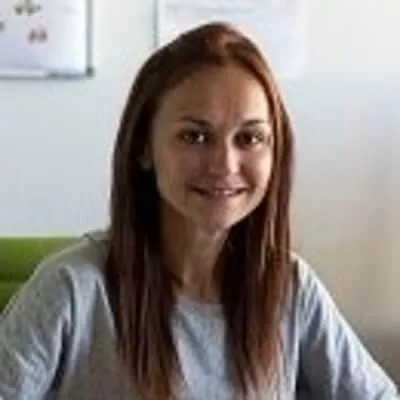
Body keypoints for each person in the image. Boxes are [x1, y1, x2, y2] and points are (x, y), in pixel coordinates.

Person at [0, 22, 398, 400]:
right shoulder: (72, 289)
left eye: (250, 138)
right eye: (195, 136)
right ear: (143, 147)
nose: (224, 164)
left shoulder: (290, 288)